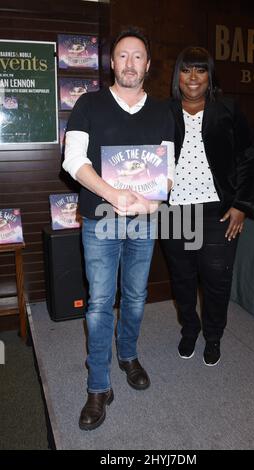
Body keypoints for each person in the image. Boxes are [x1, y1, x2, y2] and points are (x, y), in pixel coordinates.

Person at [63, 28, 175, 430]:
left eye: (138, 56)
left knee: (136, 296)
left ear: (148, 64)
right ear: (112, 62)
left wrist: (153, 199)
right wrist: (116, 194)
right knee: (98, 305)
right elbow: (73, 162)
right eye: (123, 56)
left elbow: (168, 172)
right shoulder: (88, 104)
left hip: (144, 221)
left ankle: (127, 355)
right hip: (101, 221)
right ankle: (98, 387)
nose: (130, 63)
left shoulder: (164, 111)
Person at [161, 46, 254, 367]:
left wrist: (242, 204)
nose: (193, 77)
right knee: (183, 277)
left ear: (210, 76)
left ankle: (213, 336)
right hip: (175, 212)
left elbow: (247, 157)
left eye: (200, 70)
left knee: (217, 279)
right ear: (178, 76)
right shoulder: (163, 112)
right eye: (186, 70)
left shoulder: (228, 109)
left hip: (218, 211)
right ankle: (190, 328)